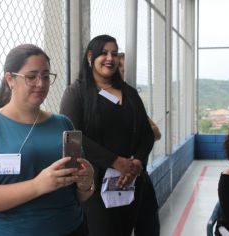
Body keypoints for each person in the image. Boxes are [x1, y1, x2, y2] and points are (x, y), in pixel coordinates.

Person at [0, 44, 94, 236]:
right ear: (10, 79)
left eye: (46, 76)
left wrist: (86, 183)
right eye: (31, 77)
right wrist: (37, 185)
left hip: (72, 228)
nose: (40, 84)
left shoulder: (63, 124)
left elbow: (79, 194)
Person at [59, 35, 155, 236]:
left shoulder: (129, 93)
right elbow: (72, 137)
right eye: (104, 53)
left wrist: (136, 162)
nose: (110, 58)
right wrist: (114, 161)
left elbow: (146, 133)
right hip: (94, 184)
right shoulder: (76, 93)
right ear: (90, 56)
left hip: (129, 181)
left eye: (114, 53)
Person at [118, 52, 160, 236]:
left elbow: (155, 133)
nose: (124, 74)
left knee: (148, 224)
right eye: (121, 69)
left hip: (139, 172)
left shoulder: (132, 99)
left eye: (127, 70)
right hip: (114, 176)